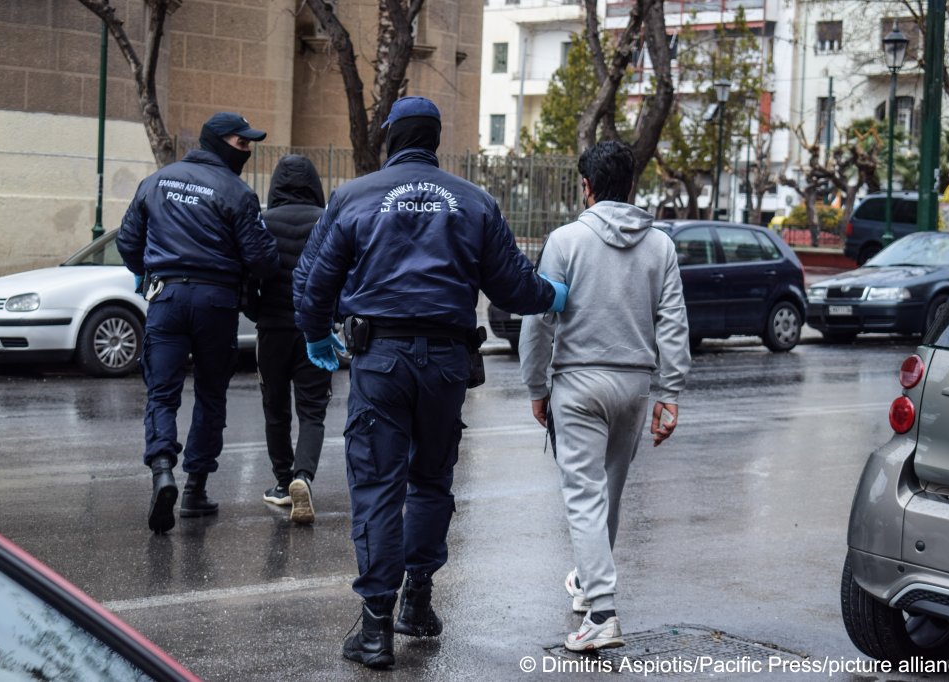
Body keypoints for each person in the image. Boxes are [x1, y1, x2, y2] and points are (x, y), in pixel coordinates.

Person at [293, 95, 569, 670]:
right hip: (446, 362)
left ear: (391, 137)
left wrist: (317, 335)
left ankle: (374, 630)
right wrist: (554, 296)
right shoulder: (474, 202)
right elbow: (516, 286)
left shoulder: (353, 196)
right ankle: (417, 602)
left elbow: (313, 282)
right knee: (430, 481)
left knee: (377, 486)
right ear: (436, 140)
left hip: (381, 360)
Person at [518, 140, 690, 651]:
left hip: (579, 382)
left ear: (587, 187)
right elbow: (673, 322)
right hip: (635, 385)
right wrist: (671, 392)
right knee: (608, 492)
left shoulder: (565, 240)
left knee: (584, 496)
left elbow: (539, 318)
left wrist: (535, 385)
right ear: (631, 186)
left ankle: (602, 612)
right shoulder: (660, 245)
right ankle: (590, 584)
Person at [118, 112, 278, 535]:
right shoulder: (238, 192)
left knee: (162, 392)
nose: (246, 149)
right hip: (215, 301)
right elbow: (262, 259)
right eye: (240, 142)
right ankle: (195, 489)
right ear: (216, 142)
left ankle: (162, 470)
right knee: (210, 395)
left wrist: (148, 270)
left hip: (166, 298)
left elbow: (128, 241)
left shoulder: (157, 181)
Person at [251, 155, 333, 524]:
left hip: (272, 331)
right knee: (313, 409)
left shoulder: (263, 222)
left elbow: (247, 273)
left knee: (275, 407)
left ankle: (283, 483)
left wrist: (257, 312)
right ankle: (304, 476)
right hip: (314, 331)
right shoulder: (327, 221)